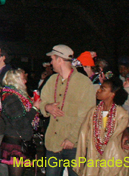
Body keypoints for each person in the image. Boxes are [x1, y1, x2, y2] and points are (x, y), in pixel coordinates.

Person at [40, 44, 96, 176]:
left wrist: (72, 138)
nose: (51, 62)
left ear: (60, 60)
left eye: (52, 59)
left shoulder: (83, 83)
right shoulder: (52, 80)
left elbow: (87, 114)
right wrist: (47, 107)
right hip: (53, 144)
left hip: (74, 146)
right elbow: (42, 102)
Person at [75, 77, 129, 176]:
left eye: (103, 88)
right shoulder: (93, 112)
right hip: (94, 156)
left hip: (113, 161)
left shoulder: (121, 114)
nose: (98, 91)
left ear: (112, 94)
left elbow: (121, 137)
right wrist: (80, 161)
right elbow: (83, 134)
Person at [0, 68, 39, 176]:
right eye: (23, 78)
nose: (25, 81)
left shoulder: (16, 96)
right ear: (15, 80)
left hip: (18, 142)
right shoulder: (11, 98)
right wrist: (34, 108)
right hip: (14, 144)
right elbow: (21, 123)